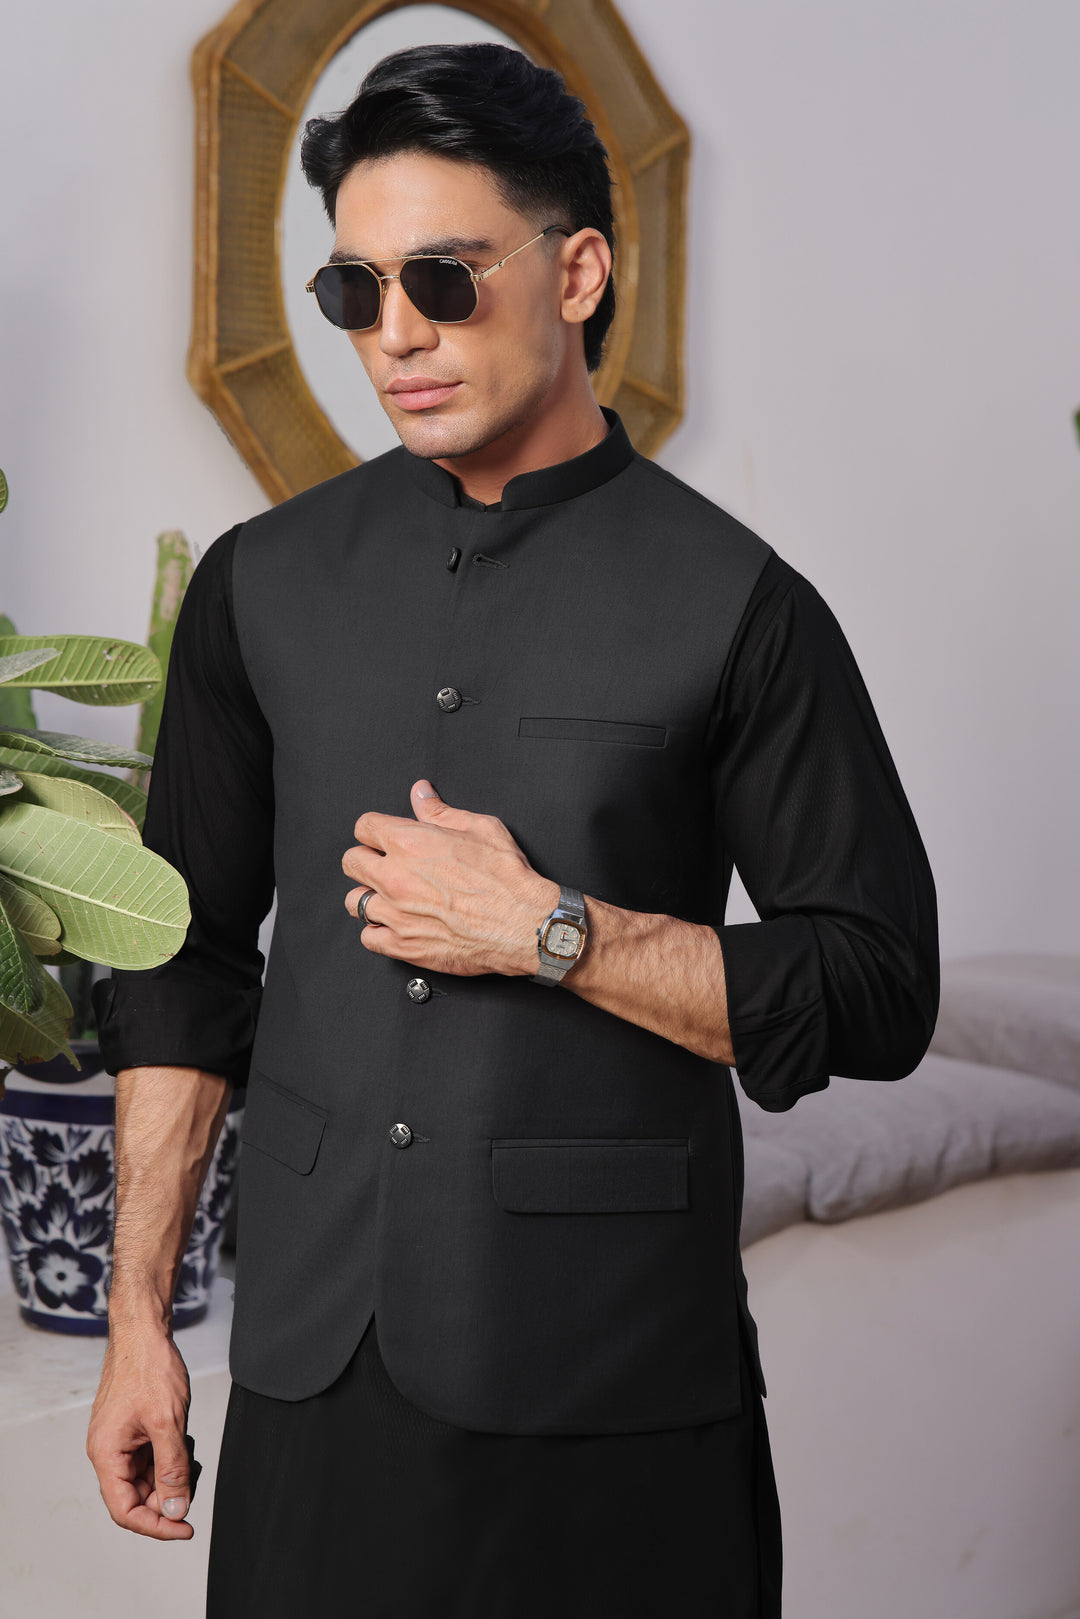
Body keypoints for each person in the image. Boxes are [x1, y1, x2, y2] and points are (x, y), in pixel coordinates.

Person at [85, 41, 938, 1619]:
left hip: (617, 1391)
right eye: (354, 293)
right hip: (314, 1378)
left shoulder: (741, 606)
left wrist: (556, 933)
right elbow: (181, 972)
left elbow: (878, 986)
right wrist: (140, 1316)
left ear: (580, 271)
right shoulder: (257, 587)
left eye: (444, 279)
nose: (397, 335)